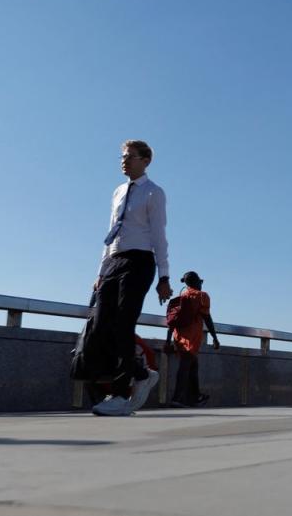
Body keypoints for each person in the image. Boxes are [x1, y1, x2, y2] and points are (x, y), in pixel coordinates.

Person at [89, 140, 171, 416]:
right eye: (122, 157)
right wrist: (101, 271)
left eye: (130, 157)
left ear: (145, 160)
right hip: (114, 259)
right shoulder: (118, 192)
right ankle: (141, 373)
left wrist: (164, 276)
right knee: (101, 325)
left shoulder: (153, 193)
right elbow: (110, 232)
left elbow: (159, 236)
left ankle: (121, 395)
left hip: (139, 261)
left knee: (124, 324)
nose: (124, 161)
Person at [166, 271, 220, 408]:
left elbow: (172, 321)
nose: (201, 285)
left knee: (193, 366)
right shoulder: (202, 296)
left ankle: (195, 397)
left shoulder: (181, 297)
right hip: (191, 339)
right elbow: (207, 318)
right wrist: (214, 337)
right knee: (185, 367)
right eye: (200, 282)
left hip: (178, 337)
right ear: (196, 282)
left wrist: (168, 341)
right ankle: (177, 398)